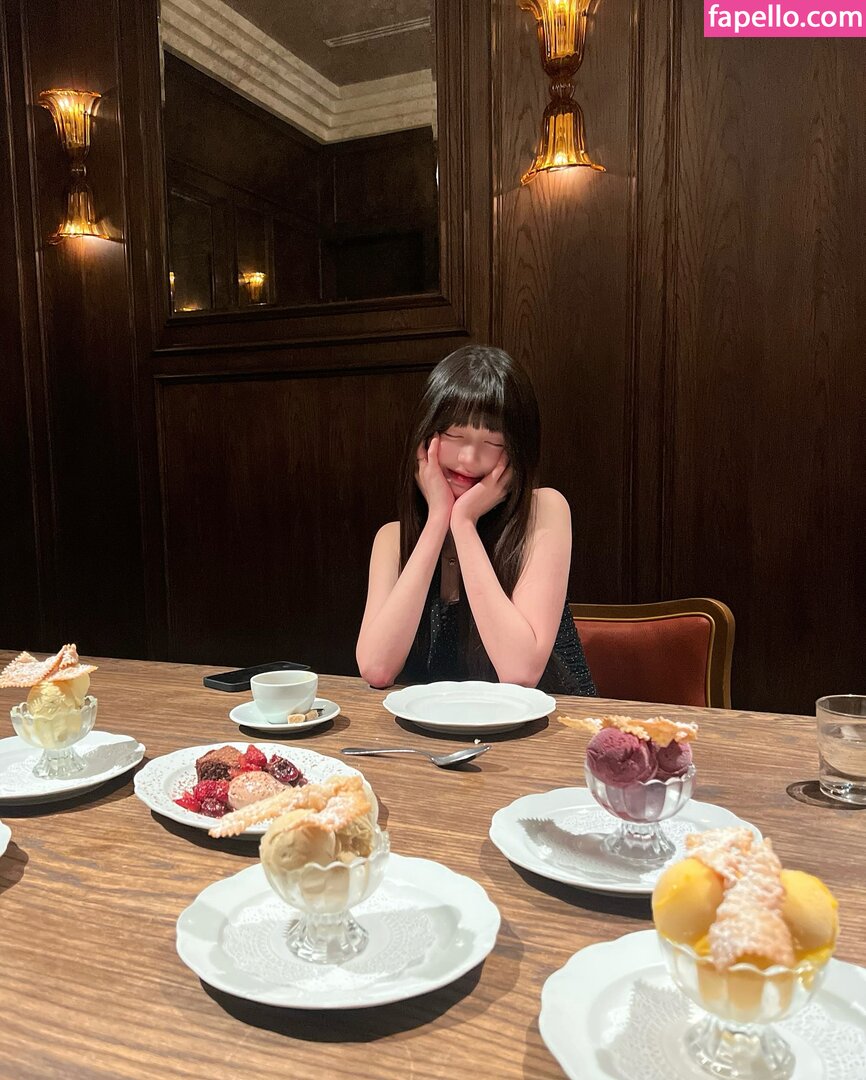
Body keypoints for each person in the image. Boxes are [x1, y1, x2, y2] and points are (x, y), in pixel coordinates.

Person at [356, 345, 597, 695]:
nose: (469, 458)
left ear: (517, 449)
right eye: (455, 435)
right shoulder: (392, 539)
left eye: (492, 441)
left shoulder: (544, 511)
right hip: (437, 727)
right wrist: (438, 520)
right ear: (425, 438)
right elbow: (377, 669)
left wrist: (464, 524)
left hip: (552, 725)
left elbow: (520, 673)